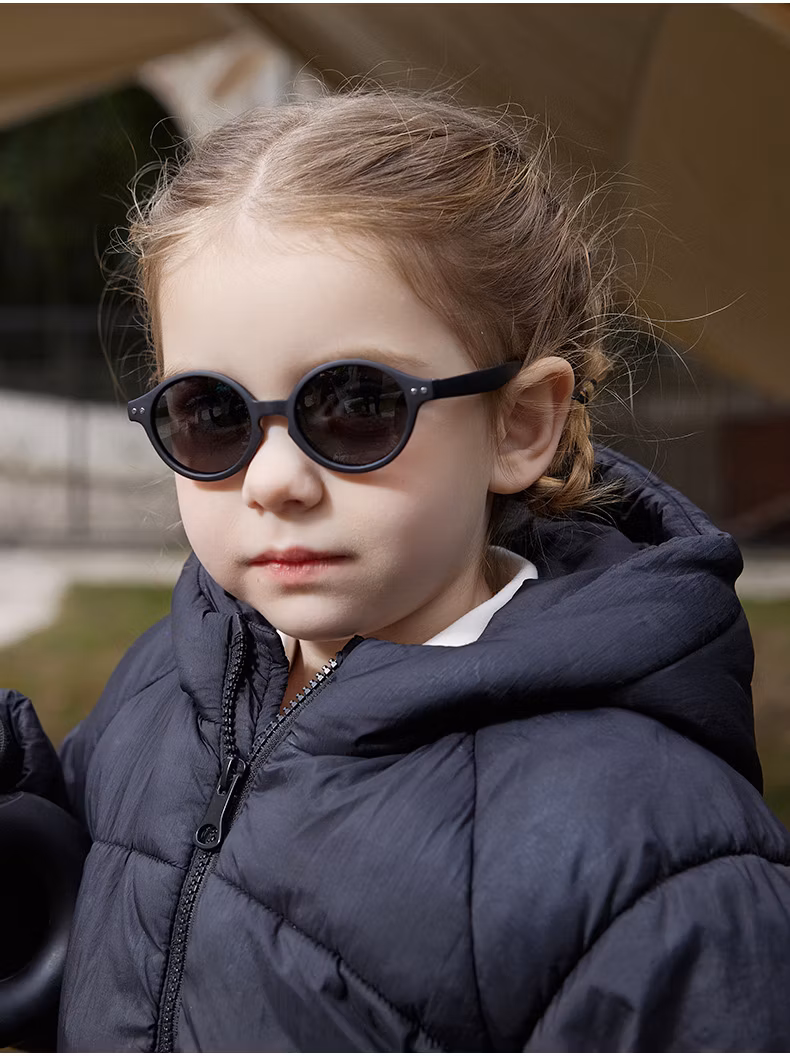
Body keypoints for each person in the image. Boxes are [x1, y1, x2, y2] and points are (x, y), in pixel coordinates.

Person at [2, 85, 790, 1053]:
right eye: (212, 415)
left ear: (520, 425)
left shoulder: (655, 859)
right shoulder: (168, 679)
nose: (275, 481)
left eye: (355, 406)